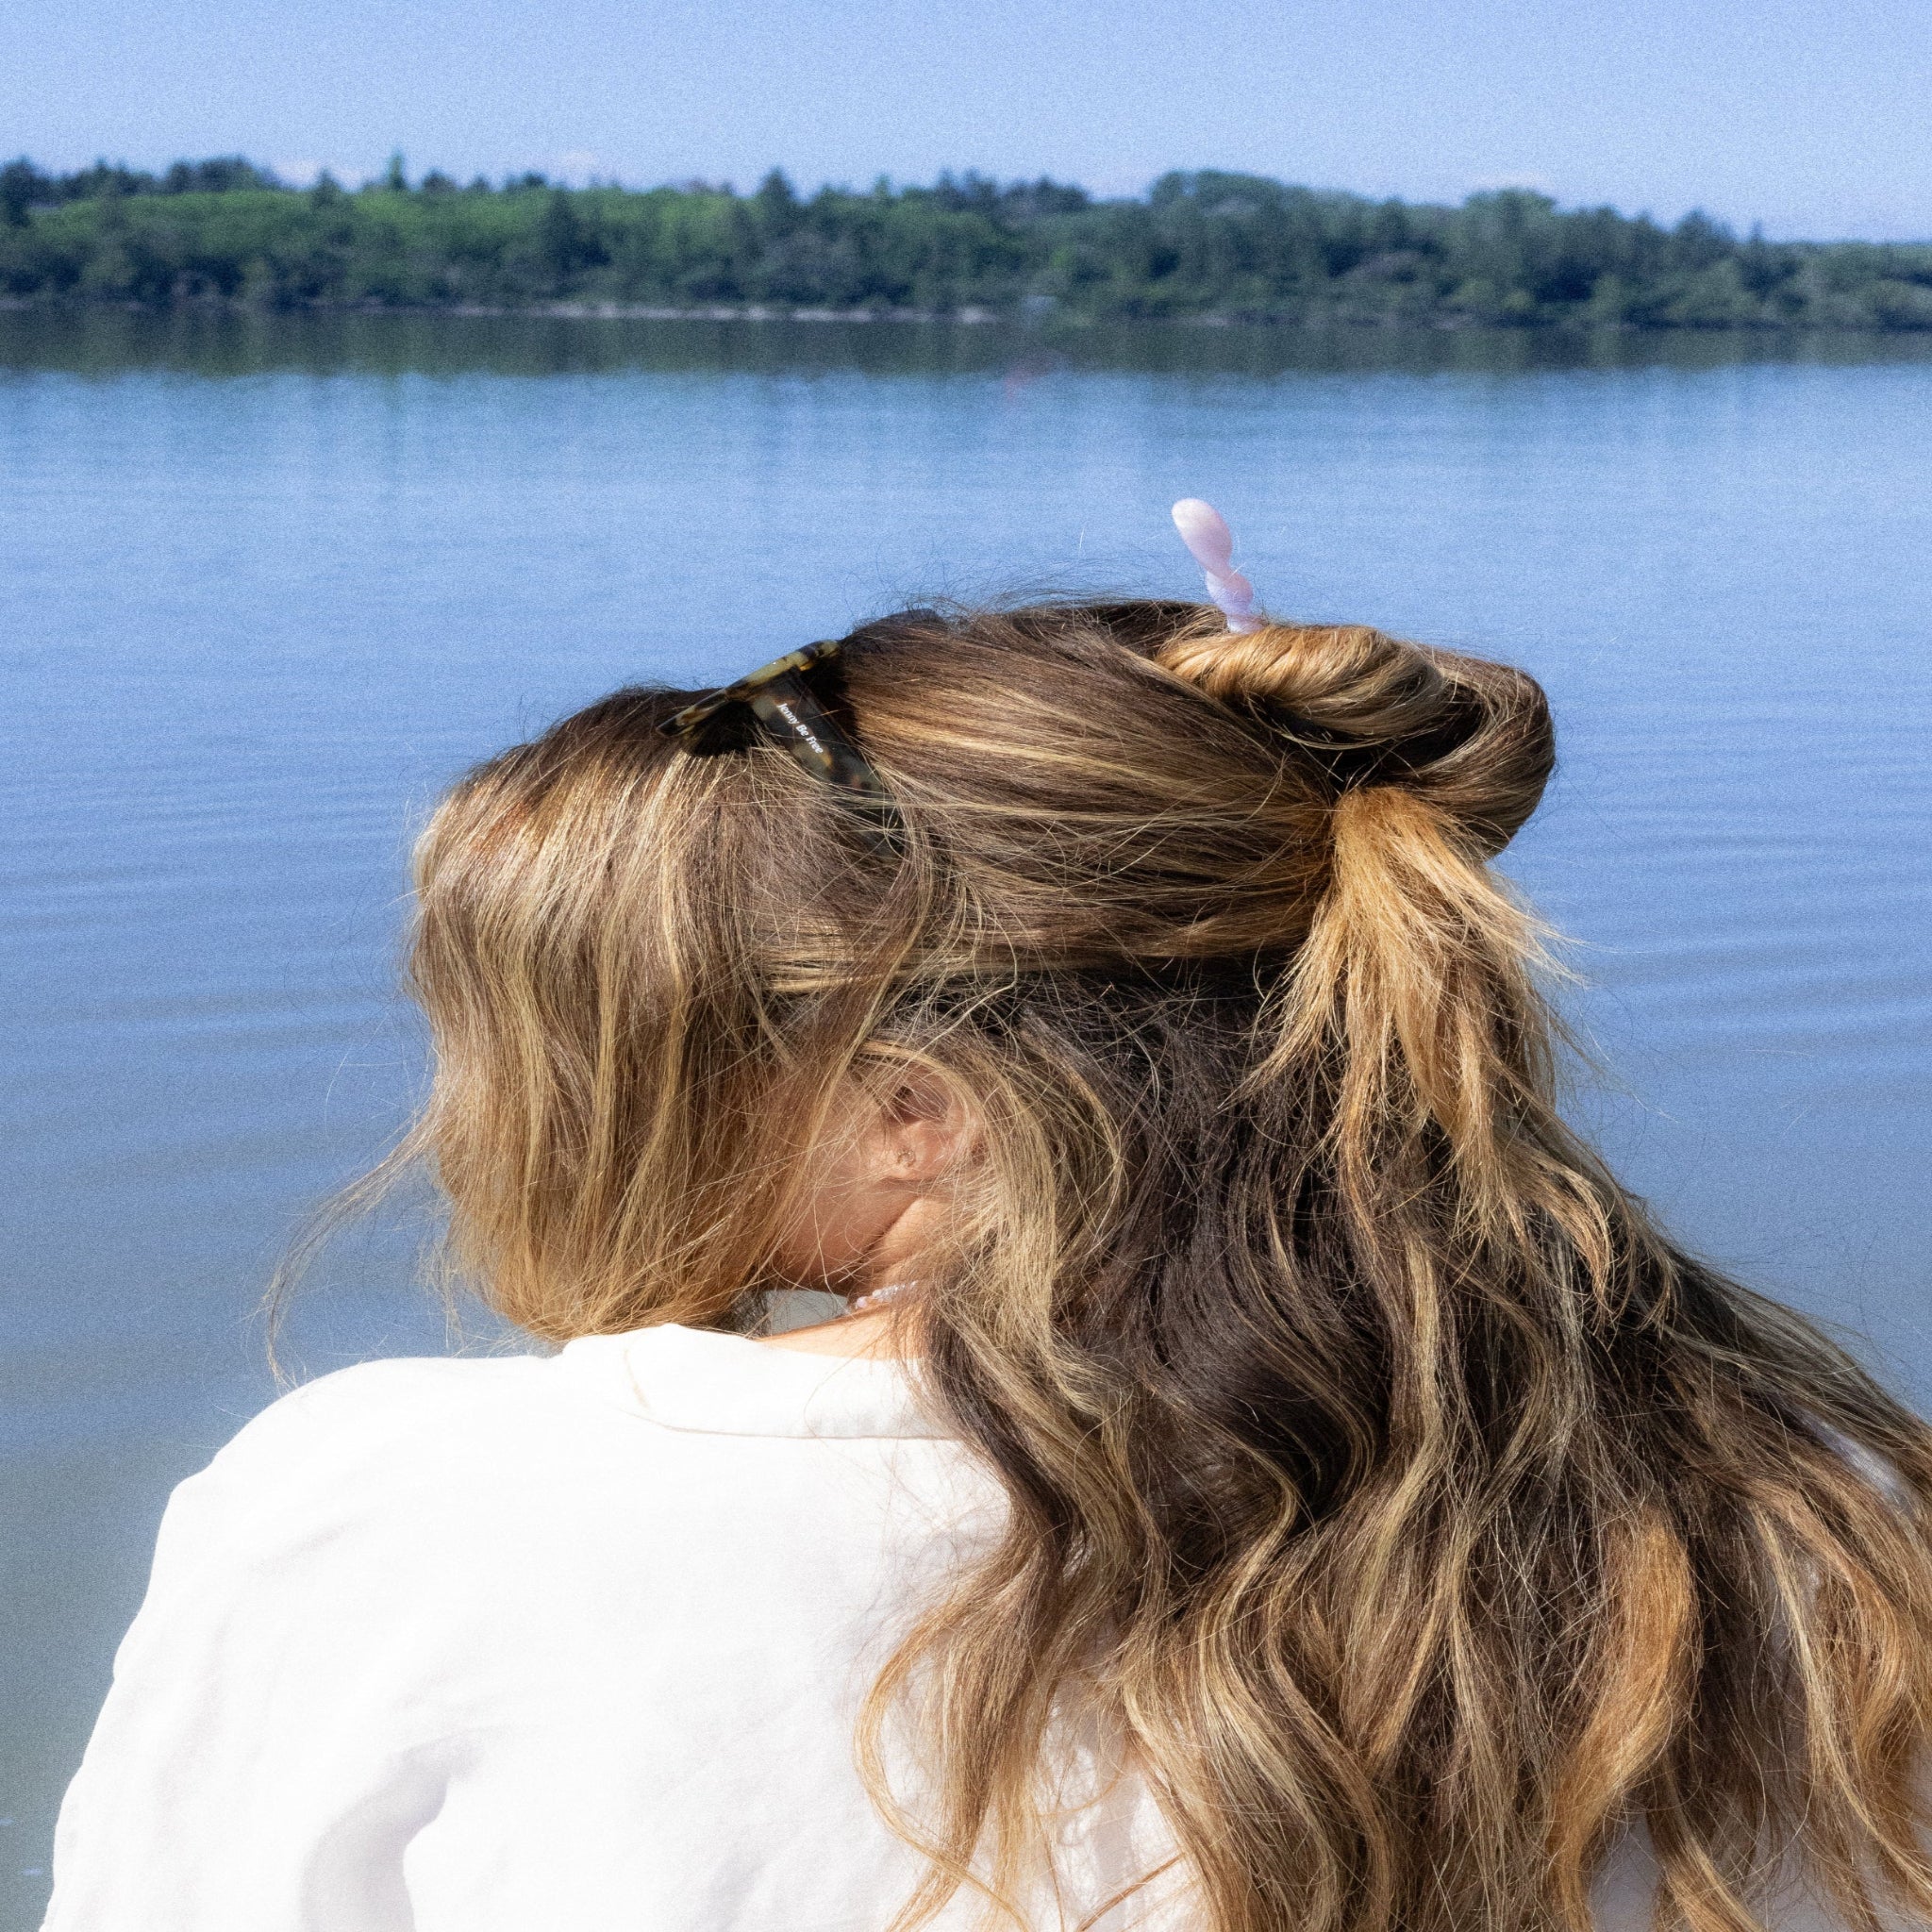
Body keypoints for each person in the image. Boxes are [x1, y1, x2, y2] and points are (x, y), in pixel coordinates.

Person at [42, 508, 1932, 1932]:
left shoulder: (406, 1528)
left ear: (915, 1109)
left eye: (632, 1047)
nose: (498, 1119)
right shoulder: (1823, 1518)